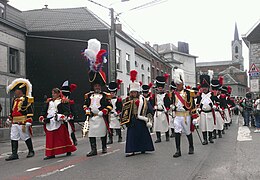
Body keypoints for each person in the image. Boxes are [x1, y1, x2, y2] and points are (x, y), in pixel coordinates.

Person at [82, 38, 112, 157]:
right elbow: (85, 104)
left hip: (100, 117)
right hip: (92, 117)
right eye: (95, 86)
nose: (97, 87)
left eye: (98, 85)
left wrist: (104, 111)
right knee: (91, 134)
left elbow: (109, 106)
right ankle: (93, 149)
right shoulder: (88, 95)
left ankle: (104, 147)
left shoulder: (105, 95)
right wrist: (86, 110)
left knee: (102, 133)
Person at [39, 88, 77, 160]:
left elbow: (67, 111)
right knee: (50, 138)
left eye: (55, 93)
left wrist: (61, 116)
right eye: (52, 93)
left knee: (63, 137)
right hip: (50, 122)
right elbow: (44, 110)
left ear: (59, 94)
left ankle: (68, 149)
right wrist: (42, 116)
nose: (53, 95)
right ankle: (51, 153)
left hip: (59, 121)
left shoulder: (62, 101)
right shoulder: (48, 102)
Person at [124, 70, 154, 157]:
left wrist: (149, 120)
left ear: (137, 92)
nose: (133, 93)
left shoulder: (143, 100)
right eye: (132, 92)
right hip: (132, 119)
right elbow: (124, 111)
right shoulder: (127, 100)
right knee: (131, 135)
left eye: (135, 92)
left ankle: (143, 148)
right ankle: (131, 150)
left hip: (141, 120)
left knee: (143, 134)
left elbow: (150, 110)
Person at [5, 78, 35, 161]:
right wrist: (10, 117)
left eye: (16, 90)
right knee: (13, 137)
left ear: (20, 91)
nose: (15, 92)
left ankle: (31, 151)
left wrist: (28, 120)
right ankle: (14, 154)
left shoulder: (27, 99)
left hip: (23, 121)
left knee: (25, 136)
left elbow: (30, 111)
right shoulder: (14, 100)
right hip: (14, 121)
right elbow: (12, 110)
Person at [172, 68, 197, 158]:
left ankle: (191, 146)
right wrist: (173, 107)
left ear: (183, 83)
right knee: (177, 131)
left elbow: (193, 105)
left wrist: (195, 117)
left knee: (187, 132)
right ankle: (178, 150)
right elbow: (172, 103)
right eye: (176, 84)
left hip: (186, 115)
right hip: (177, 116)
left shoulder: (188, 93)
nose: (177, 85)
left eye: (179, 83)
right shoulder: (174, 93)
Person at [150, 74, 171, 143]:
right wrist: (154, 107)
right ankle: (158, 138)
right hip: (157, 111)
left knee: (165, 124)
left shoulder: (166, 95)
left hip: (163, 111)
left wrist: (167, 109)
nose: (160, 89)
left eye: (161, 88)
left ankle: (167, 136)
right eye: (159, 88)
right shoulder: (154, 95)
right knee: (157, 125)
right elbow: (151, 103)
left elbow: (168, 103)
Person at [61, 80, 78, 146]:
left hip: (69, 117)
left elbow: (73, 110)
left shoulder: (70, 102)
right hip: (62, 117)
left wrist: (72, 116)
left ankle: (74, 140)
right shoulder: (60, 101)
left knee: (70, 130)